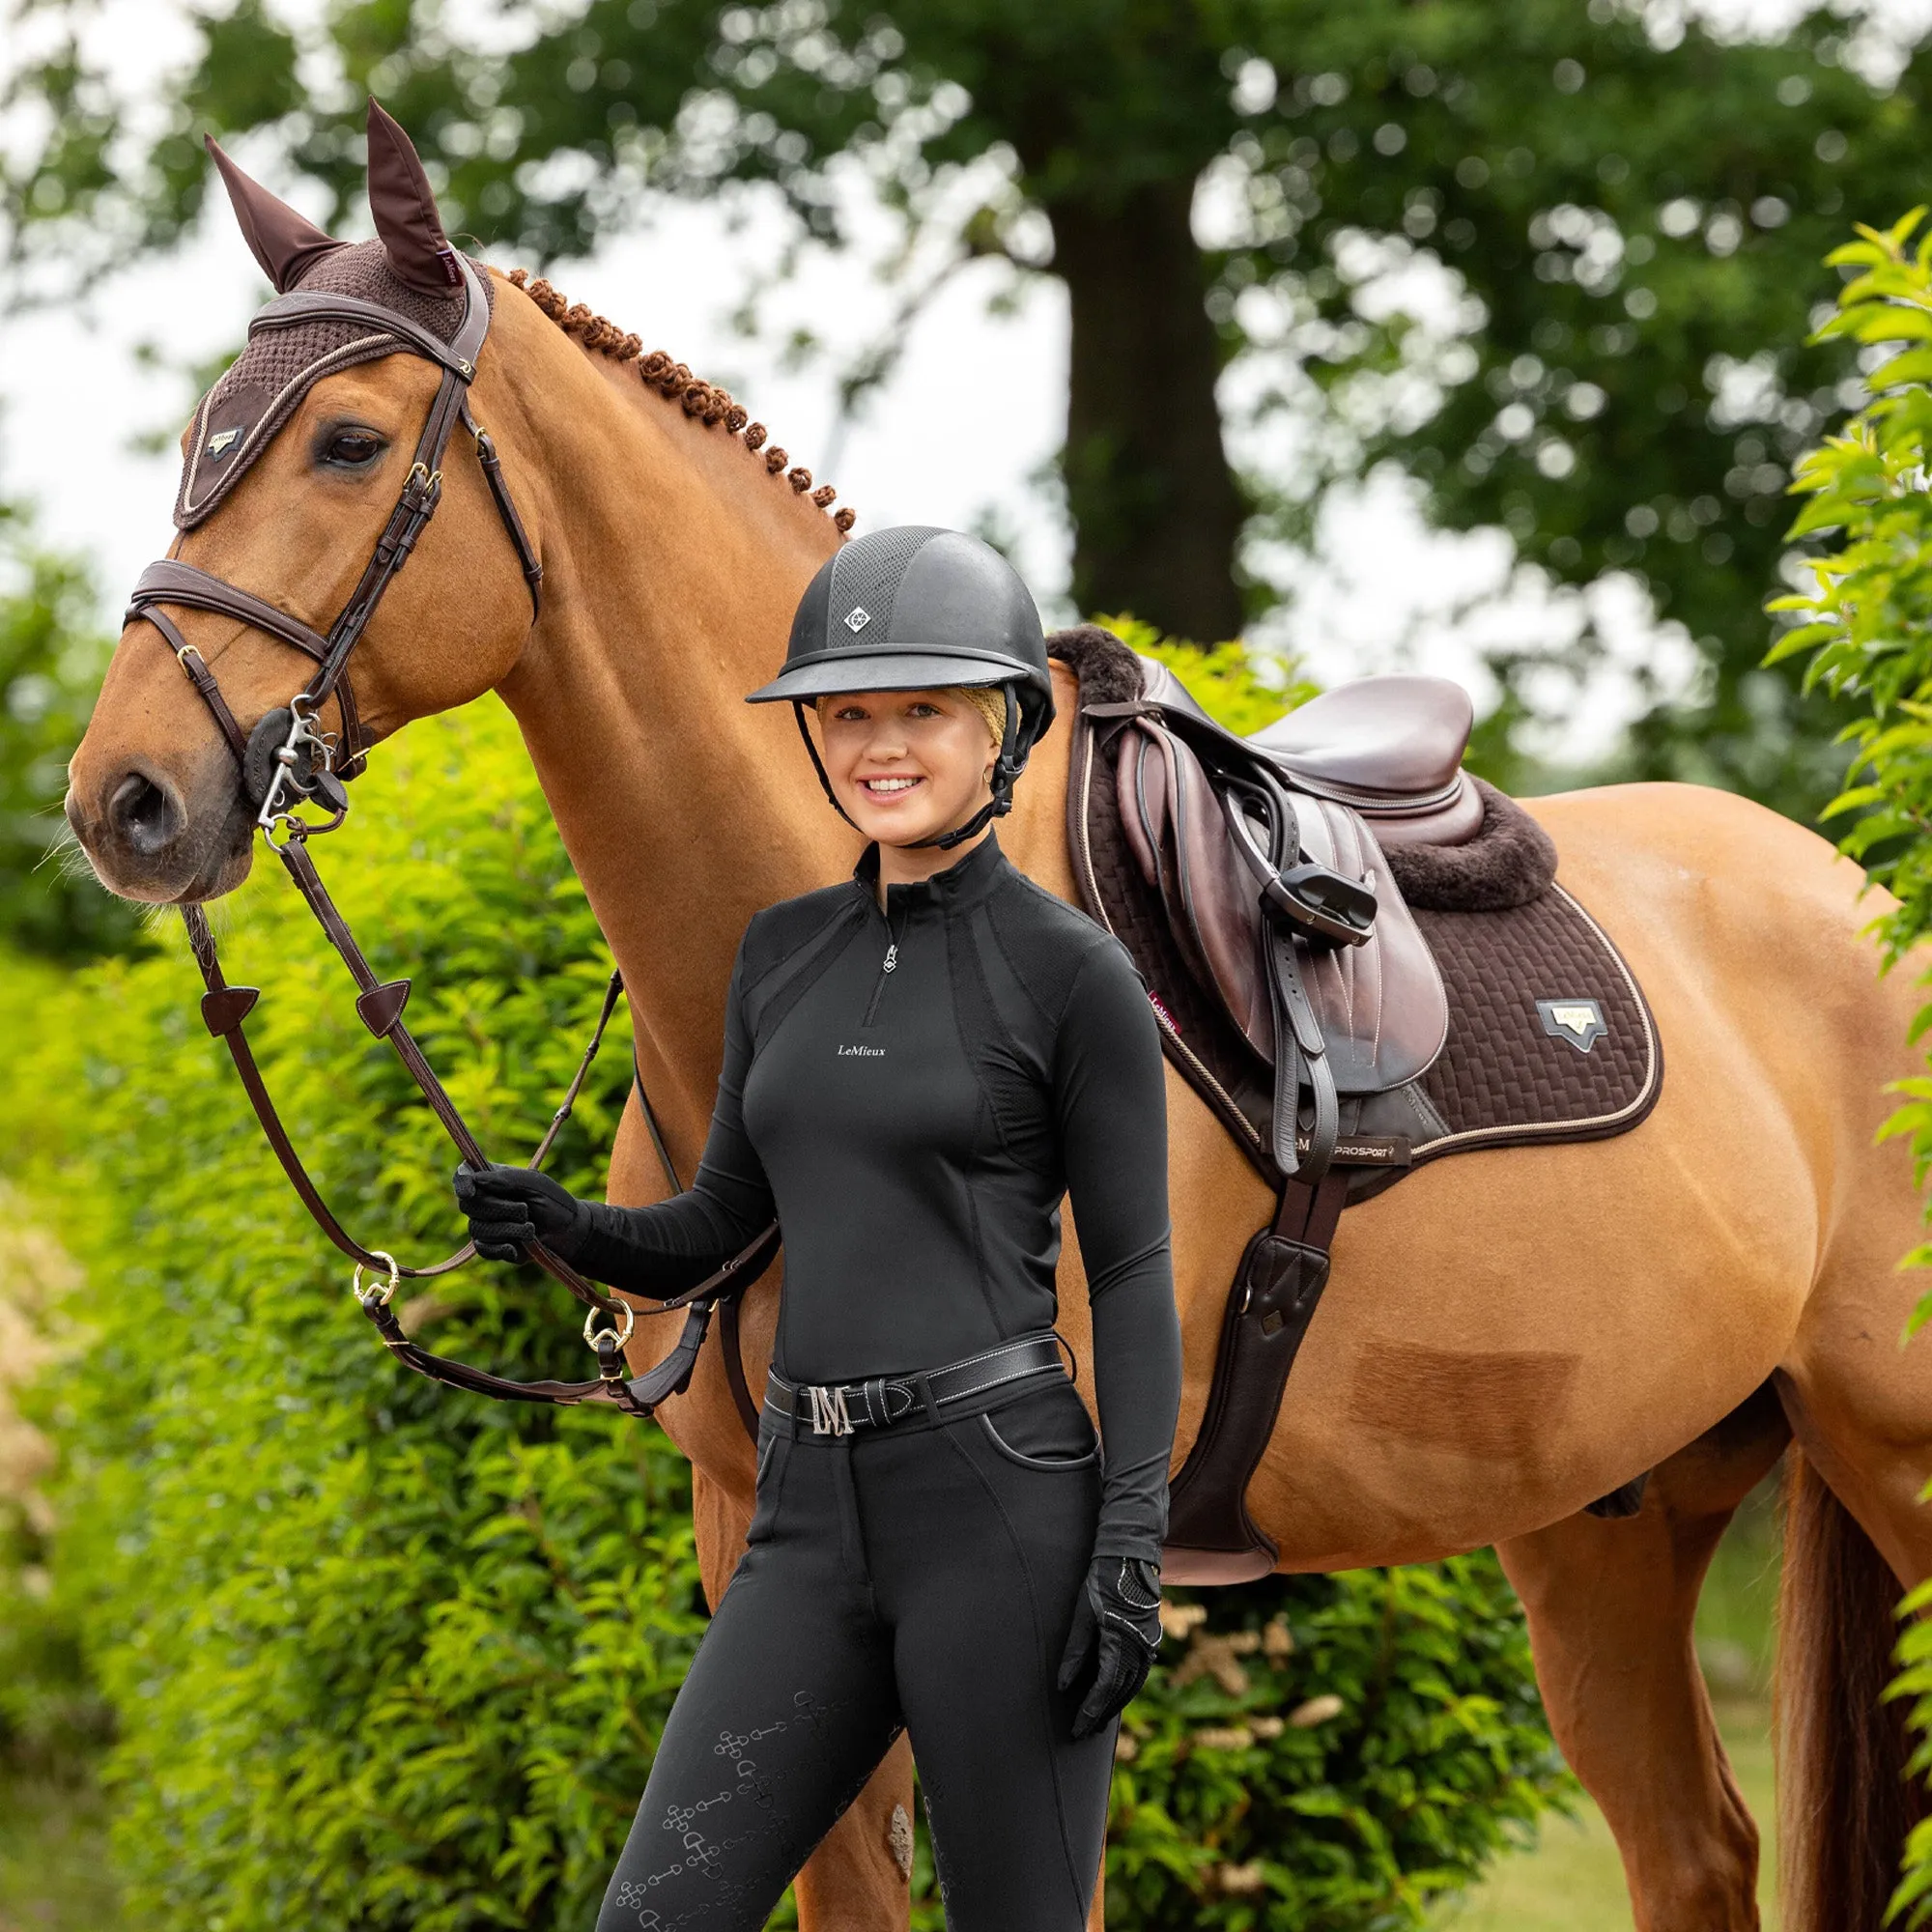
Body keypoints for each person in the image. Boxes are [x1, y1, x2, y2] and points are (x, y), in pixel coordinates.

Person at [452, 526, 1182, 1932]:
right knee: (655, 1918)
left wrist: (1128, 1550)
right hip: (804, 1517)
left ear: (1003, 729)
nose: (880, 745)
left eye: (924, 710)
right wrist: (568, 1228)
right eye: (849, 713)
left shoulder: (1072, 973)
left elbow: (1139, 1277)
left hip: (1000, 1512)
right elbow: (727, 1225)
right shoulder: (782, 954)